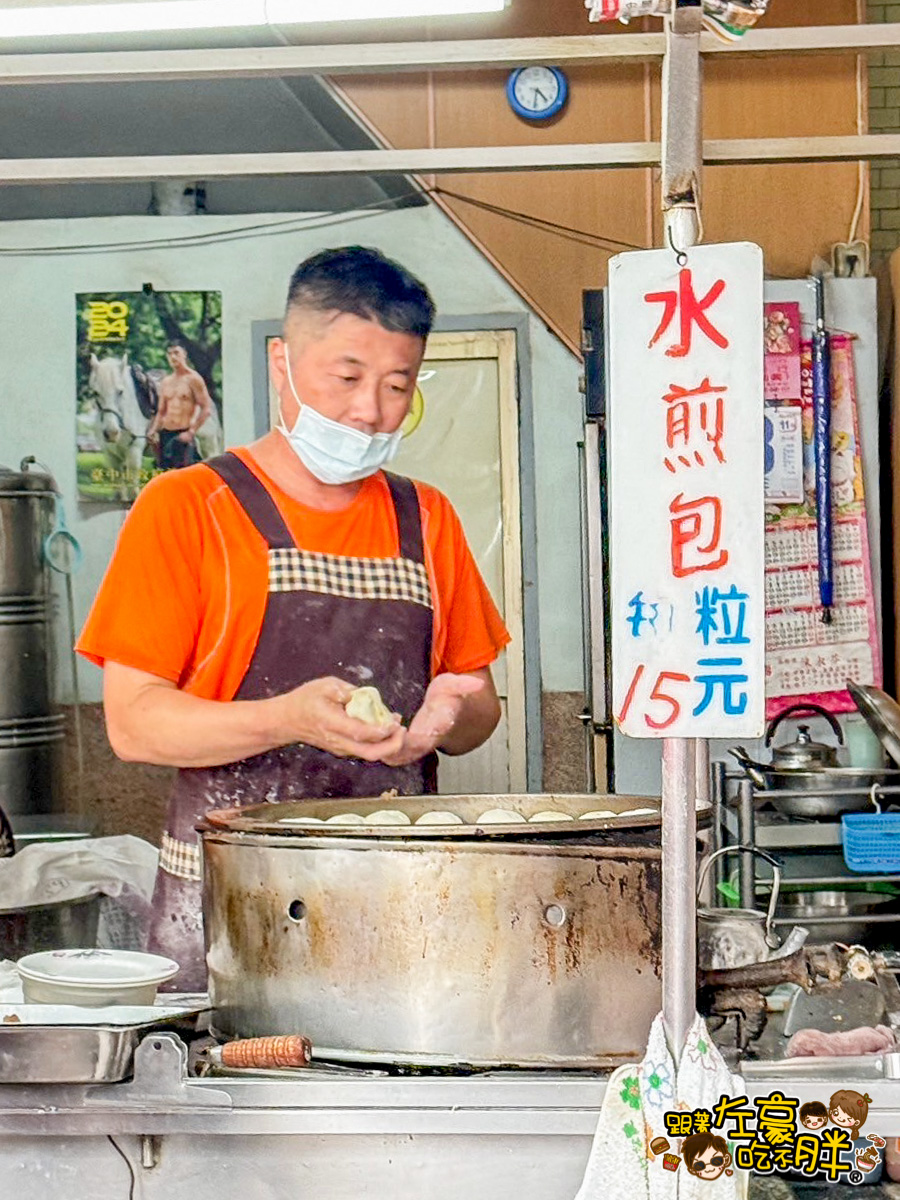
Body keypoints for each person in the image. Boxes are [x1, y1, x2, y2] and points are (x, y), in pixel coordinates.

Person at [77, 246, 510, 989]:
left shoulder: (426, 518)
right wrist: (291, 718)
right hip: (227, 914)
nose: (370, 410)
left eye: (397, 385)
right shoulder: (186, 509)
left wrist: (449, 713)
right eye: (346, 378)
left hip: (394, 906)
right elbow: (134, 723)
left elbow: (479, 707)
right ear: (282, 363)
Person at [146, 342, 214, 470]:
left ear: (184, 355)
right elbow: (161, 411)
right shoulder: (166, 382)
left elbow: (206, 409)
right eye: (169, 354)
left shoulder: (194, 379)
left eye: (176, 353)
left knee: (184, 474)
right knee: (165, 474)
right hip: (165, 434)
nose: (173, 357)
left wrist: (191, 432)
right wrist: (153, 430)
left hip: (183, 434)